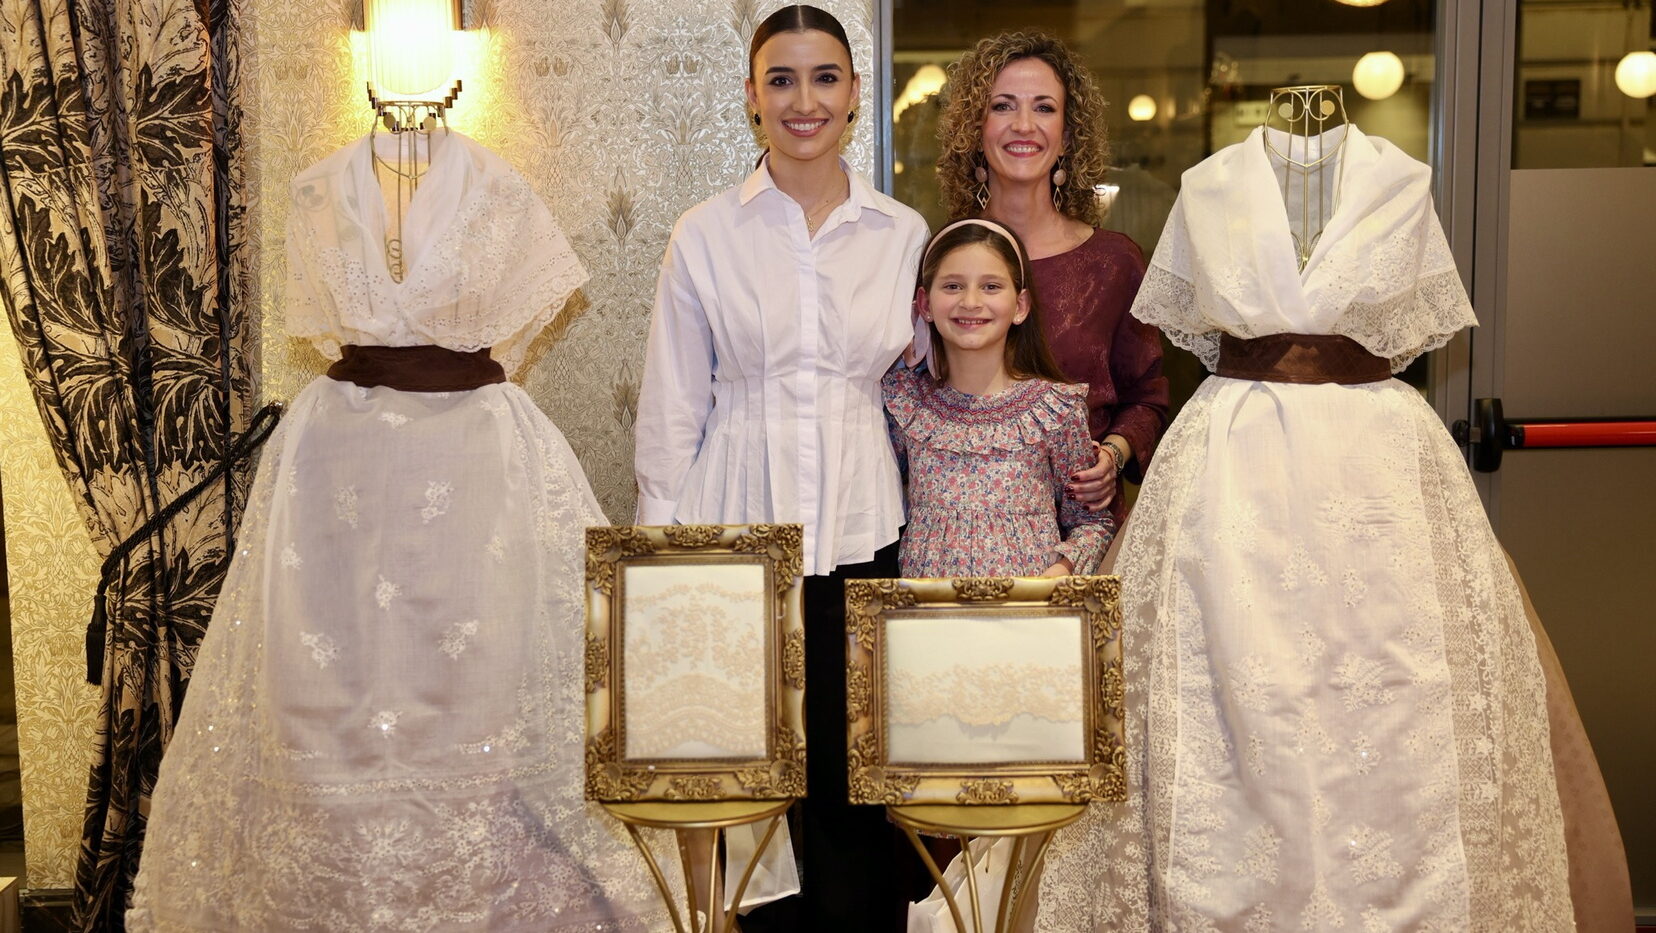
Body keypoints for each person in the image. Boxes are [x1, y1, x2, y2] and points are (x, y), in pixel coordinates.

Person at [1033, 120, 1576, 930]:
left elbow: (1411, 328)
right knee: (1219, 676)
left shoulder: (1403, 182)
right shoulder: (1210, 184)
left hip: (1375, 459)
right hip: (1234, 453)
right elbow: (1193, 327)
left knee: (1393, 674)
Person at [127, 130, 665, 931]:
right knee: (318, 677)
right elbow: (323, 330)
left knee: (489, 673)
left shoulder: (499, 187)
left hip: (478, 457)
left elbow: (519, 326)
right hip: (337, 460)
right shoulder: (316, 188)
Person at [632, 6, 928, 929]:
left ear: (854, 92)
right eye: (783, 79)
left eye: (826, 77)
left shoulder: (901, 231)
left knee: (856, 779)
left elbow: (929, 381)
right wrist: (657, 563)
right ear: (752, 97)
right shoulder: (705, 232)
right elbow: (673, 402)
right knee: (751, 780)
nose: (806, 100)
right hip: (733, 526)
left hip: (862, 525)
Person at [935, 31, 1169, 524]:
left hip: (1083, 527)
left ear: (1066, 136)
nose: (1024, 125)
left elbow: (1148, 398)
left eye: (1044, 108)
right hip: (964, 529)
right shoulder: (941, 259)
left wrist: (1113, 456)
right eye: (1003, 106)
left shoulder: (1114, 263)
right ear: (975, 130)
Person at [885, 218, 1114, 580]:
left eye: (991, 286)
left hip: (1027, 606)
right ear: (925, 303)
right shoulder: (906, 404)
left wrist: (1059, 572)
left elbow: (1092, 523)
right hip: (928, 608)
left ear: (1020, 305)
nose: (971, 302)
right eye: (953, 286)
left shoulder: (1054, 409)